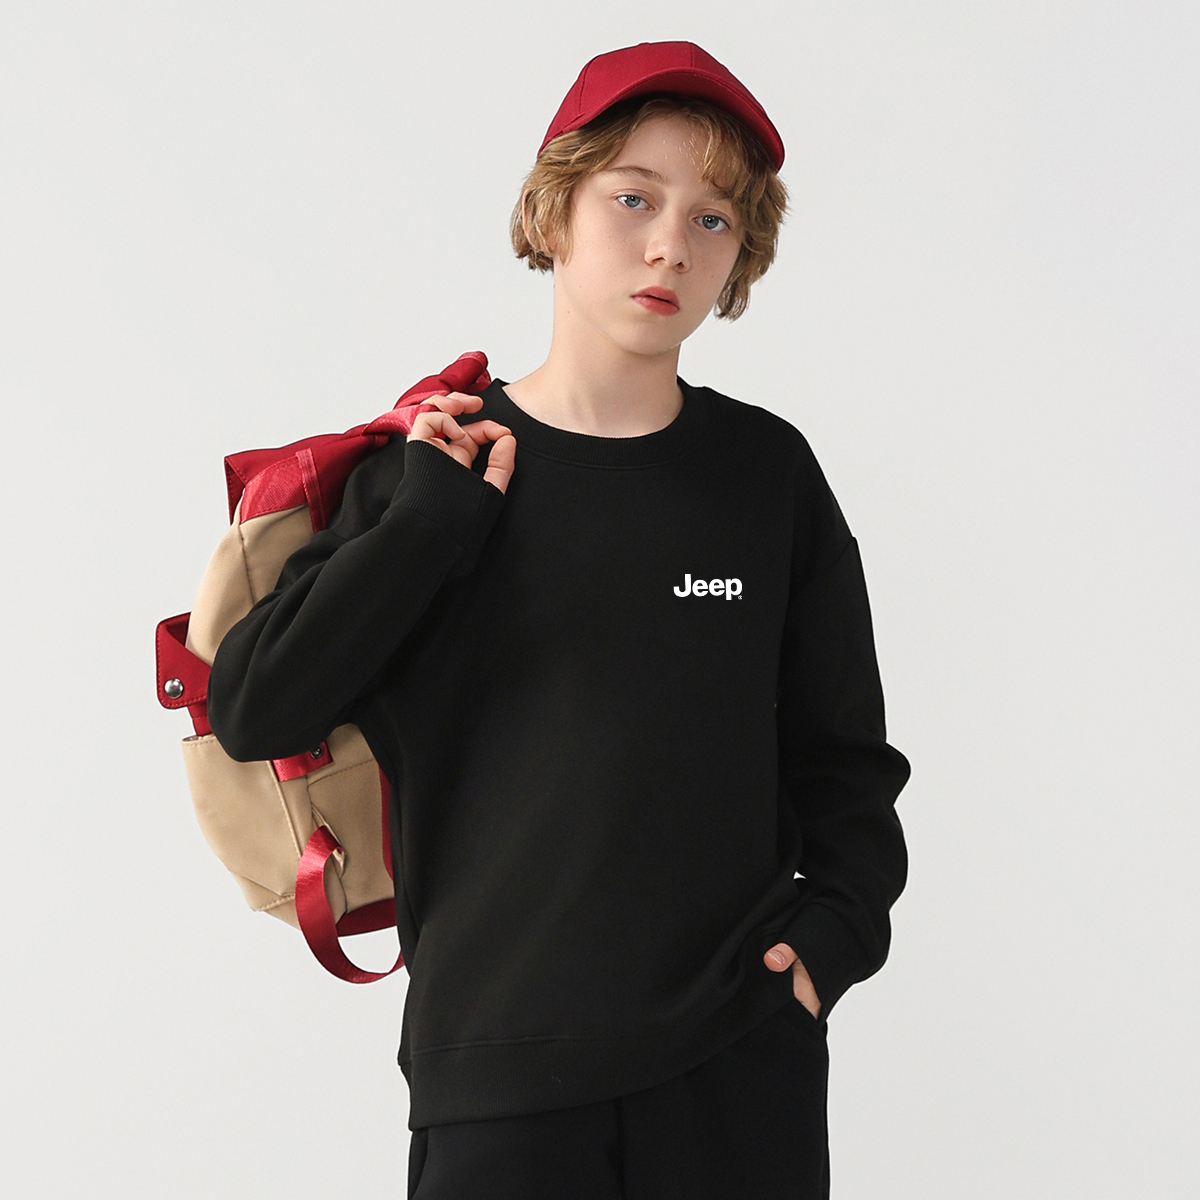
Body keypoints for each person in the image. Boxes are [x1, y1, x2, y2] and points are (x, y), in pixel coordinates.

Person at [207, 39, 910, 1200]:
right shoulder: (436, 469)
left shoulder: (765, 475)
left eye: (714, 219)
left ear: (740, 256)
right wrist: (427, 528)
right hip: (494, 1075)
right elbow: (254, 708)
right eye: (634, 197)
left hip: (736, 1063)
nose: (670, 244)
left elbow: (846, 762)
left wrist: (831, 942)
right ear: (554, 208)